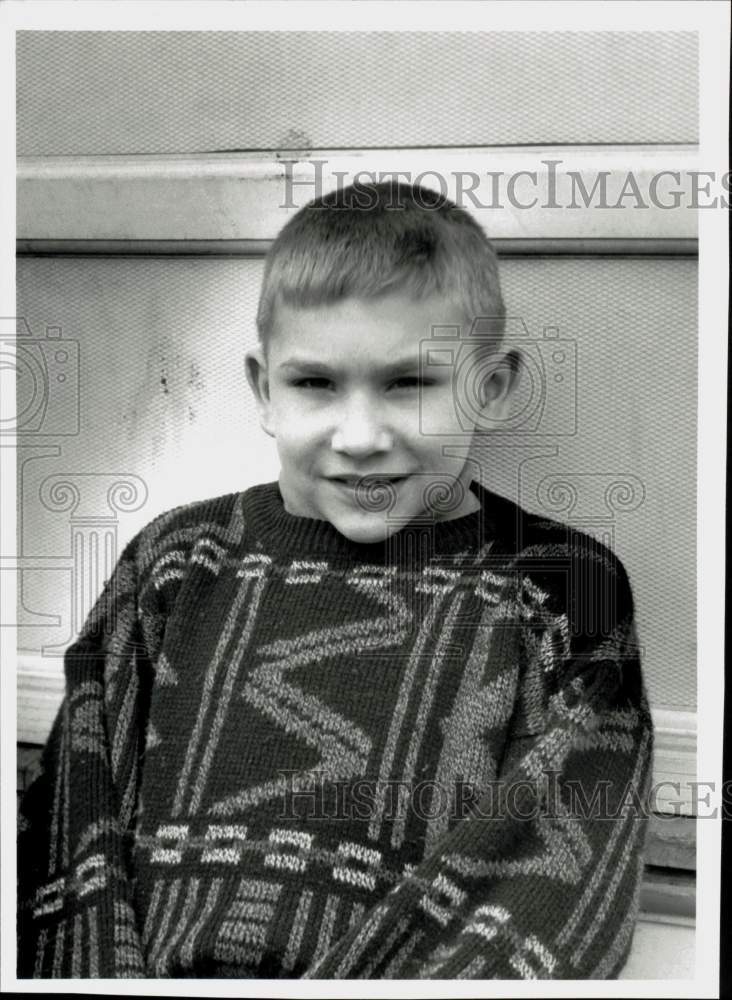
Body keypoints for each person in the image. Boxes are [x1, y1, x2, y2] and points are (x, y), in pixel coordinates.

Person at [17, 180, 653, 979]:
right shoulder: (175, 563)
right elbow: (69, 821)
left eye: (408, 383)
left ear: (489, 388)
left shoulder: (566, 590)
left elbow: (562, 875)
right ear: (264, 390)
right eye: (315, 383)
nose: (359, 436)